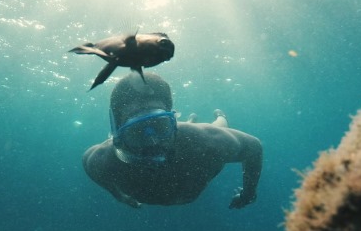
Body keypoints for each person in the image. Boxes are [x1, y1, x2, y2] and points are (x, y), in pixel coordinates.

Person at [82, 72, 263, 209]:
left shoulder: (207, 140)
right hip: (191, 138)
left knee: (217, 128)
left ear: (173, 123)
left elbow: (254, 147)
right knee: (198, 133)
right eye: (137, 131)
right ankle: (181, 122)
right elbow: (90, 166)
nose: (153, 142)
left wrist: (248, 194)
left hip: (195, 137)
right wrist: (119, 196)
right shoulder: (99, 161)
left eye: (161, 126)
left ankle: (221, 117)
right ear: (117, 134)